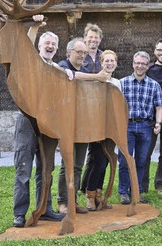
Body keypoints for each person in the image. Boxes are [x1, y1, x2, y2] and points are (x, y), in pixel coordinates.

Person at [13, 17, 70, 227]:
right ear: (39, 46)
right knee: (23, 170)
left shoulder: (57, 69)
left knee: (46, 171)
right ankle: (19, 213)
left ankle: (44, 209)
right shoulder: (31, 63)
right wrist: (35, 27)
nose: (51, 46)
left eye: (54, 44)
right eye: (47, 43)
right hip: (28, 123)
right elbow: (25, 47)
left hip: (47, 125)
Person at [56, 37, 109, 214]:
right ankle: (63, 202)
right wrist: (96, 76)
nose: (82, 55)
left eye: (84, 53)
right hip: (66, 124)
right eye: (79, 52)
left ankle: (73, 201)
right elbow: (70, 75)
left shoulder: (85, 69)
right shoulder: (62, 65)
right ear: (69, 52)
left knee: (78, 165)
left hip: (82, 124)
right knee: (67, 164)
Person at [118, 51, 162, 205]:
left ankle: (136, 192)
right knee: (125, 160)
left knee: (141, 161)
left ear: (147, 66)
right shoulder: (122, 83)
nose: (140, 66)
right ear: (133, 64)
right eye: (137, 63)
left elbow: (159, 106)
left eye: (143, 64)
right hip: (126, 125)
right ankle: (124, 192)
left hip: (146, 126)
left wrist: (158, 123)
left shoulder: (154, 85)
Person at [82, 50, 121, 211]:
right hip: (97, 127)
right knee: (97, 161)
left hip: (111, 128)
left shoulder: (117, 83)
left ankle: (99, 195)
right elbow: (92, 106)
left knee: (105, 162)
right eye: (107, 61)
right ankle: (90, 197)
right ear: (101, 62)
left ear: (116, 64)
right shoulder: (96, 80)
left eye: (112, 61)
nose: (110, 63)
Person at [143, 38, 162, 195]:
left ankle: (160, 182)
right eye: (160, 50)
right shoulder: (148, 70)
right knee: (146, 151)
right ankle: (143, 184)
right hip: (150, 116)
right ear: (155, 51)